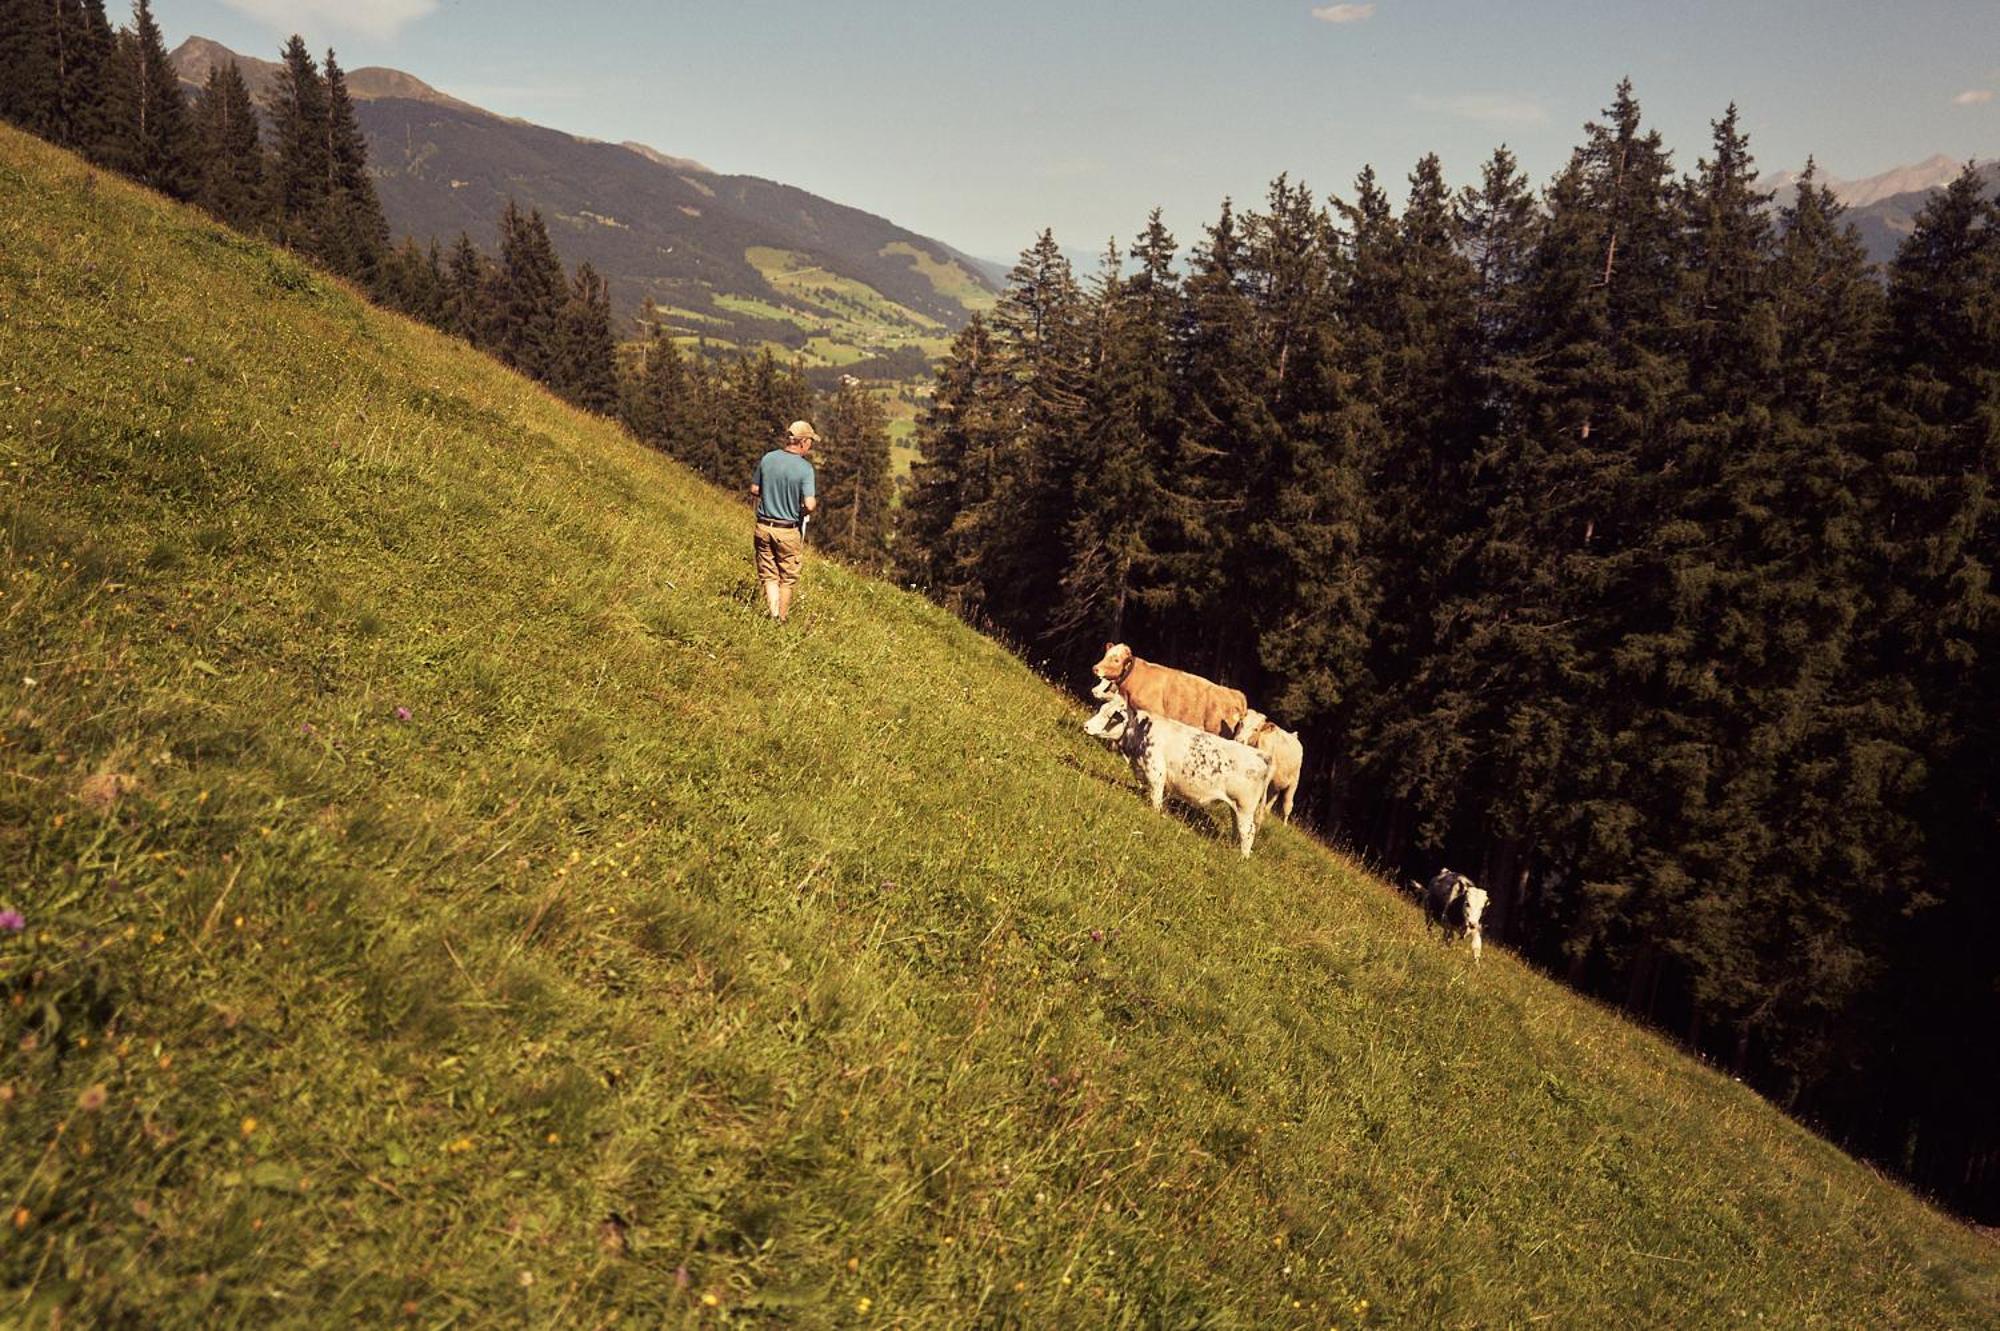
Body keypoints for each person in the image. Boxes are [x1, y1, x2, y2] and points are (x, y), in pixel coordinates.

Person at [749, 419, 819, 622]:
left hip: (763, 526)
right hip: (787, 530)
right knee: (787, 578)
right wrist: (801, 511)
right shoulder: (805, 469)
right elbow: (811, 504)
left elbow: (754, 489)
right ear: (803, 442)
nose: (811, 446)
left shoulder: (768, 458)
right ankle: (781, 619)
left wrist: (771, 493)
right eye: (810, 442)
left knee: (769, 575)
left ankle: (773, 614)